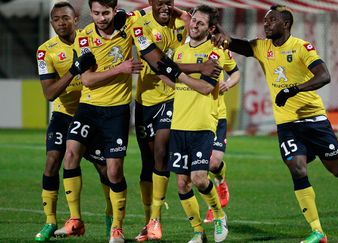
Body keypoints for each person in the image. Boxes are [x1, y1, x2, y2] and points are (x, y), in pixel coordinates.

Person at [212, 5, 338, 243]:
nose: (266, 24)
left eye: (271, 20)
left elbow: (324, 75)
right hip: (287, 124)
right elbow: (229, 41)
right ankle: (318, 231)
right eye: (265, 20)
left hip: (314, 120)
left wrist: (293, 89)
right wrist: (214, 24)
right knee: (297, 168)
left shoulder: (301, 47)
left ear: (286, 24)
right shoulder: (260, 47)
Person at [126, 1, 222, 241]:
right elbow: (157, 62)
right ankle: (150, 221)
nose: (165, 6)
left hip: (174, 100)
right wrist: (201, 67)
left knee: (161, 151)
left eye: (170, 1)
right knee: (149, 163)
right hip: (146, 99)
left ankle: (156, 219)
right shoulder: (139, 23)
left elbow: (204, 25)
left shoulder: (186, 23)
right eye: (159, 1)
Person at [53, 1, 144, 243]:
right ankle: (74, 220)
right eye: (96, 13)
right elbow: (88, 80)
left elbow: (149, 11)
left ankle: (117, 228)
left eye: (105, 13)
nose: (101, 18)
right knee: (70, 152)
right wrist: (121, 68)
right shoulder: (84, 38)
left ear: (115, 11)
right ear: (90, 12)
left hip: (117, 111)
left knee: (114, 171)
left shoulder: (129, 24)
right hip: (89, 107)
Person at [34, 2, 112, 241]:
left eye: (66, 18)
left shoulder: (90, 40)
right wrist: (73, 70)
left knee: (107, 169)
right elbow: (49, 94)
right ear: (51, 23)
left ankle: (112, 221)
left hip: (92, 112)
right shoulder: (45, 51)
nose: (61, 23)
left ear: (76, 19)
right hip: (64, 114)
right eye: (56, 19)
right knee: (52, 160)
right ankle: (52, 221)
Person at [159, 4, 230, 243]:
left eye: (200, 23)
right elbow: (176, 84)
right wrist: (161, 72)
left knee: (200, 178)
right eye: (193, 21)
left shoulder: (216, 52)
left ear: (211, 29)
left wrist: (176, 74)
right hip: (179, 124)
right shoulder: (178, 51)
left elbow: (206, 87)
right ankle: (198, 232)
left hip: (202, 124)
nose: (194, 25)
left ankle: (219, 215)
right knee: (181, 183)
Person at [204, 50, 241, 223]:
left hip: (217, 115)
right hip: (193, 117)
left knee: (213, 163)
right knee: (198, 169)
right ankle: (212, 207)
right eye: (191, 20)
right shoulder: (182, 47)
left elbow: (235, 72)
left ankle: (221, 180)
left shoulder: (219, 50)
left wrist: (228, 83)